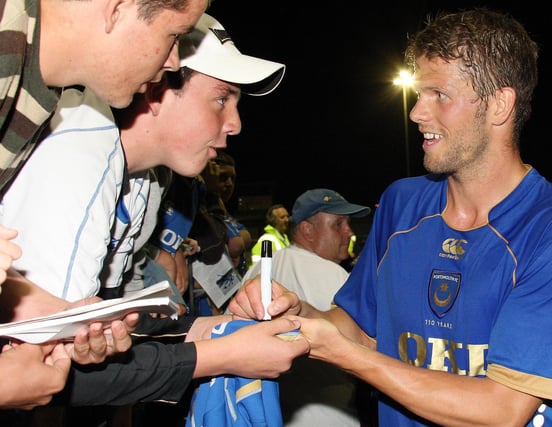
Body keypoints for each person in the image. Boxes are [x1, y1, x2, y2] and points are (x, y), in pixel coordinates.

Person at [228, 8, 552, 426]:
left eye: (438, 95)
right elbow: (359, 329)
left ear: (500, 104)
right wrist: (296, 313)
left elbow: (502, 411)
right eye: (419, 93)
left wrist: (344, 355)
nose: (416, 112)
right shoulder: (401, 204)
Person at [0, 12, 308, 417]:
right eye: (221, 98)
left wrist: (219, 328)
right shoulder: (87, 144)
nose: (234, 124)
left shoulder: (149, 180)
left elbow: (110, 327)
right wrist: (222, 355)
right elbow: (45, 362)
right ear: (158, 90)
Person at [0, 0, 208, 409]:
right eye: (174, 35)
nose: (172, 62)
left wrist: (57, 314)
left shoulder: (38, 86)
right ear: (119, 8)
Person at [243, 188, 370, 427]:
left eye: (348, 224)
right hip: (330, 417)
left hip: (266, 414)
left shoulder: (258, 271)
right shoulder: (336, 276)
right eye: (338, 224)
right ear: (307, 230)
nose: (349, 232)